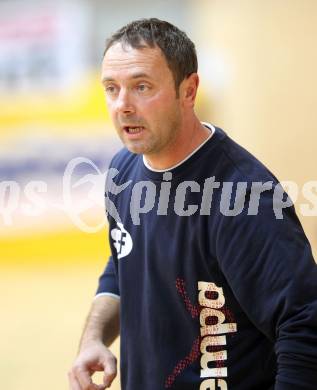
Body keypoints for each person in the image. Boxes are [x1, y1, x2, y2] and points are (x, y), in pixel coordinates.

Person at [68, 18, 317, 390]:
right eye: (111, 88)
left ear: (189, 90)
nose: (123, 105)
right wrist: (94, 337)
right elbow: (123, 262)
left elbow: (304, 326)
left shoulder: (242, 196)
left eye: (141, 86)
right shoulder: (123, 172)